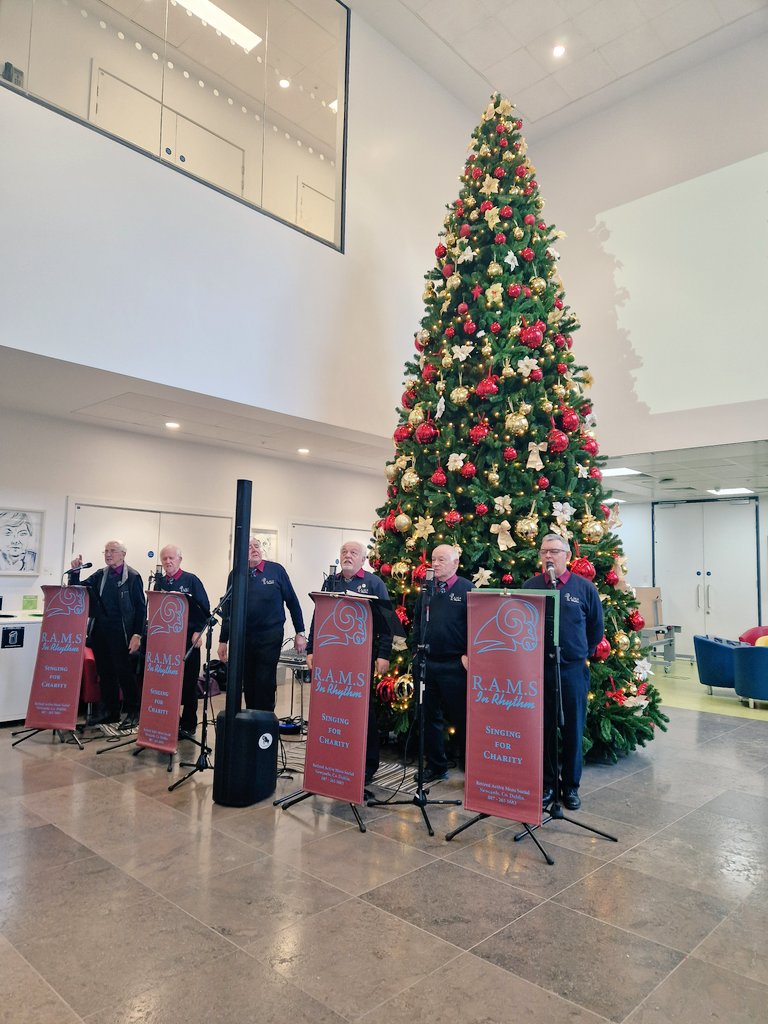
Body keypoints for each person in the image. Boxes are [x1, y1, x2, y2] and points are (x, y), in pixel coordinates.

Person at [523, 533, 604, 811]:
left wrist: (578, 652)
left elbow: (595, 629)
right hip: (538, 671)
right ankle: (546, 784)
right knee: (542, 729)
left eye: (555, 551)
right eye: (544, 551)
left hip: (571, 671)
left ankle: (570, 786)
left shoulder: (584, 589)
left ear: (567, 556)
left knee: (572, 729)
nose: (548, 556)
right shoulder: (531, 586)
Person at [306, 540, 392, 785]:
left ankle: (367, 766)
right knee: (334, 707)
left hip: (363, 658)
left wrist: (383, 655)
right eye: (344, 552)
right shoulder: (330, 582)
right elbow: (318, 617)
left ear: (363, 559)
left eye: (354, 553)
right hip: (333, 657)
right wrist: (312, 649)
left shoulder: (375, 583)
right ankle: (336, 757)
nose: (348, 556)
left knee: (364, 711)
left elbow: (386, 624)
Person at [218, 536, 306, 712]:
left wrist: (300, 632)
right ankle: (251, 719)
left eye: (256, 546)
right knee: (248, 682)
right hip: (243, 636)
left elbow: (292, 602)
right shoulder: (236, 575)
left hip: (270, 635)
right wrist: (223, 641)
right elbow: (229, 611)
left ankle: (264, 725)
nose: (254, 549)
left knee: (264, 680)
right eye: (249, 547)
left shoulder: (276, 570)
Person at [410, 543, 474, 783]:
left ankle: (472, 770)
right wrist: (416, 652)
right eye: (433, 560)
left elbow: (477, 625)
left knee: (463, 718)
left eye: (441, 560)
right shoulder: (426, 589)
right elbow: (417, 621)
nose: (435, 564)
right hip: (426, 663)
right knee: (428, 717)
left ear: (455, 563)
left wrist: (469, 654)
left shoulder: (467, 589)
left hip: (456, 666)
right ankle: (436, 766)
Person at [70, 541, 145, 727]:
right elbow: (78, 590)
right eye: (106, 551)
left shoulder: (133, 577)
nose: (108, 554)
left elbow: (140, 608)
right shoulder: (101, 574)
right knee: (106, 673)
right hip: (100, 632)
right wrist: (75, 572)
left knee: (124, 673)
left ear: (123, 554)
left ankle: (134, 712)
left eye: (113, 551)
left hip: (122, 632)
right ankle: (110, 712)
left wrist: (137, 634)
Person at [154, 544, 210, 738]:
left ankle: (188, 724)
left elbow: (205, 609)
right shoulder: (159, 582)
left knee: (188, 685)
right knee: (167, 683)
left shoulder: (191, 580)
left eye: (171, 558)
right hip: (166, 641)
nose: (168, 562)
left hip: (188, 641)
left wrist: (198, 632)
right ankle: (169, 721)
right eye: (164, 559)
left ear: (179, 560)